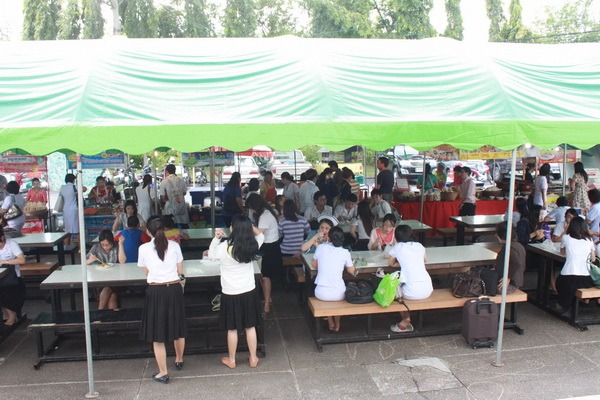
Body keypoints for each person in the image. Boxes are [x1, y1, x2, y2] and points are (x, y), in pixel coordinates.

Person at [208, 215, 263, 369]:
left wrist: (216, 239)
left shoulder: (223, 248)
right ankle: (253, 358)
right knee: (250, 326)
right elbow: (261, 236)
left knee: (232, 328)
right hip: (249, 291)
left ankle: (232, 360)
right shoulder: (252, 245)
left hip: (230, 293)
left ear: (232, 228)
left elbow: (211, 255)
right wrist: (251, 227)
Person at [138, 218, 186, 383]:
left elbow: (146, 271)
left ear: (148, 232)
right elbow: (180, 271)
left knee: (157, 334)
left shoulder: (143, 248)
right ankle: (179, 359)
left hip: (156, 290)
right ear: (165, 230)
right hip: (174, 289)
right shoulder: (175, 246)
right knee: (177, 326)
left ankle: (163, 373)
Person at [388, 225, 433, 333]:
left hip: (411, 292)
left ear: (396, 236)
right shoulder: (419, 246)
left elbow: (390, 263)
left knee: (393, 290)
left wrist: (402, 263)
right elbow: (425, 260)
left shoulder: (398, 247)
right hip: (427, 289)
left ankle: (405, 318)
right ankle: (406, 318)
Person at [312, 227, 357, 332]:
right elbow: (351, 270)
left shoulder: (321, 247)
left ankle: (330, 320)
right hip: (338, 293)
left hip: (321, 293)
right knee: (337, 300)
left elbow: (314, 265)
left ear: (329, 238)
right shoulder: (345, 252)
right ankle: (337, 324)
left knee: (328, 299)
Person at [245, 194, 282, 315]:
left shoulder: (265, 216)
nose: (252, 210)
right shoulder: (265, 213)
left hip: (269, 248)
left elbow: (258, 233)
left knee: (265, 276)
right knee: (263, 275)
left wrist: (247, 228)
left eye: (251, 207)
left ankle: (266, 305)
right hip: (270, 246)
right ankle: (268, 299)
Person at [555, 216, 596, 313]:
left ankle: (564, 304)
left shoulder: (566, 238)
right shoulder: (589, 240)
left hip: (568, 277)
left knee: (559, 283)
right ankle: (574, 303)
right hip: (586, 279)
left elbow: (562, 252)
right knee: (573, 287)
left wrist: (565, 232)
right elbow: (593, 258)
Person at [87, 229, 125, 309]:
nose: (105, 247)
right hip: (100, 279)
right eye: (102, 244)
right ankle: (111, 317)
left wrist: (121, 244)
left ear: (112, 242)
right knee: (112, 296)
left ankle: (99, 312)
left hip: (116, 279)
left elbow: (122, 261)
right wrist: (90, 260)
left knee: (108, 289)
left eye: (108, 245)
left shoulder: (116, 246)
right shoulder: (96, 247)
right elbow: (84, 262)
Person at [0, 226, 26, 327]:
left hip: (12, 280)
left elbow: (22, 260)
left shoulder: (12, 244)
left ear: (2, 238)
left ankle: (11, 315)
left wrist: (5, 262)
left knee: (3, 293)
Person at [494, 222, 526, 294]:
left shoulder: (509, 248)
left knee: (489, 287)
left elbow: (516, 262)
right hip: (517, 281)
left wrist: (508, 277)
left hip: (512, 283)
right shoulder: (519, 245)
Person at [160, 164, 189, 229]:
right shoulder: (181, 180)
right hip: (181, 205)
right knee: (184, 225)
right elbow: (184, 192)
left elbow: (163, 197)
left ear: (166, 171)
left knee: (171, 226)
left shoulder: (164, 181)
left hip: (170, 207)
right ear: (175, 170)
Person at [59, 173, 83, 245]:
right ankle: (80, 248)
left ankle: (67, 247)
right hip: (74, 210)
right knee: (78, 231)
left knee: (67, 231)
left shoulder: (62, 187)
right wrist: (79, 182)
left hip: (65, 210)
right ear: (73, 180)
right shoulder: (74, 187)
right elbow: (84, 189)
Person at [586, 189, 600, 254]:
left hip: (595, 231)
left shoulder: (595, 207)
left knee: (594, 249)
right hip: (597, 230)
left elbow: (588, 221)